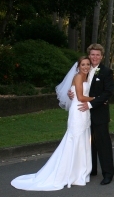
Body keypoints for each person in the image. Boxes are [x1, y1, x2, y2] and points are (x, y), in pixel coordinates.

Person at [11, 56, 94, 191]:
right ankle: (67, 173)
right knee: (74, 139)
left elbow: (79, 93)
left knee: (82, 140)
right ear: (78, 66)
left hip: (84, 112)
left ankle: (78, 172)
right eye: (83, 64)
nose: (85, 67)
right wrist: (97, 99)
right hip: (78, 111)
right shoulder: (79, 77)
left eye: (87, 64)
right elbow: (80, 97)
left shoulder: (86, 77)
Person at [77, 44, 114, 185]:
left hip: (99, 114)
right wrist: (72, 93)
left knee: (103, 144)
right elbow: (79, 88)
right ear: (89, 55)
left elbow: (108, 92)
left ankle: (108, 173)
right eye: (92, 54)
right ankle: (91, 169)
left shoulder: (106, 72)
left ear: (102, 56)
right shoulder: (84, 70)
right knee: (88, 144)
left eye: (97, 55)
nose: (94, 57)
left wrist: (92, 103)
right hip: (84, 114)